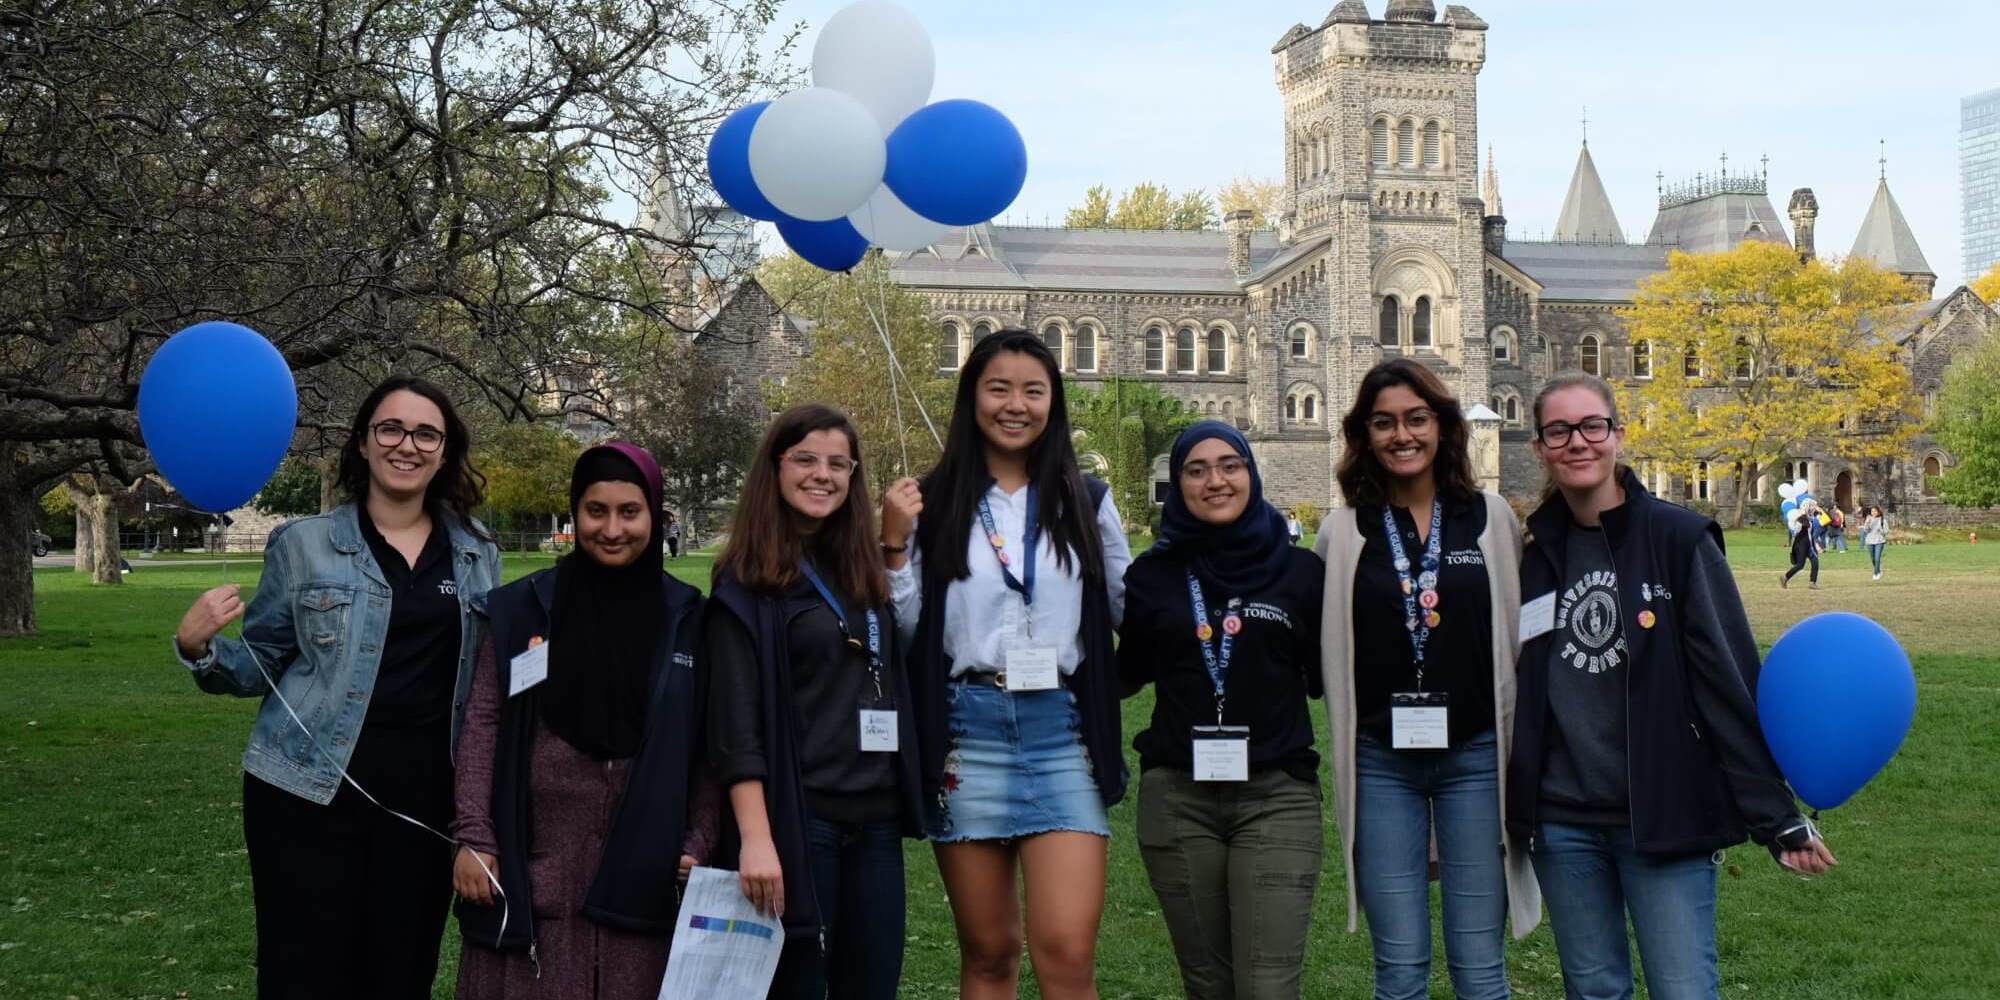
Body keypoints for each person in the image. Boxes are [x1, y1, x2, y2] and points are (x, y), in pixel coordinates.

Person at [172, 375, 501, 998]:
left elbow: (484, 683)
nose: (408, 445)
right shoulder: (304, 544)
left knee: (402, 969)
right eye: (391, 429)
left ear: (445, 449)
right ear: (363, 442)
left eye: (427, 433)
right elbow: (262, 661)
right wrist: (200, 648)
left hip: (425, 800)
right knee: (304, 970)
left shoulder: (477, 552)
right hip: (304, 791)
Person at [1513, 372, 1836, 1000]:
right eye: (1559, 430)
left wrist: (1777, 818)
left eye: (1591, 426)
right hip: (1562, 822)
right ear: (1539, 447)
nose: (1577, 442)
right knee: (1594, 990)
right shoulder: (1531, 550)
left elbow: (1729, 682)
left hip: (1663, 813)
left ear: (1618, 437)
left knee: (1683, 988)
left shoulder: (1678, 539)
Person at [880, 329, 1133, 1000]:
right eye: (998, 388)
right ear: (972, 399)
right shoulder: (930, 503)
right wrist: (895, 547)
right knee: (989, 954)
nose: (1015, 404)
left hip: (1061, 736)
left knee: (1068, 951)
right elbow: (907, 633)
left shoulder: (1089, 500)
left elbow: (1132, 613)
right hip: (968, 738)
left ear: (1053, 401)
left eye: (1033, 390)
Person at [452, 441, 719, 998]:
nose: (612, 529)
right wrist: (475, 837)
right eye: (596, 511)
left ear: (654, 514)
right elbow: (482, 725)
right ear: (575, 513)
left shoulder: (688, 615)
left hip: (647, 857)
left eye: (630, 512)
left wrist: (700, 837)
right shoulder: (523, 608)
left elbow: (708, 741)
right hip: (536, 853)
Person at [1316, 358, 1540, 1000]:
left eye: (1416, 419)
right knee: (1401, 969)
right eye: (1383, 423)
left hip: (1476, 757)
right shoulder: (1342, 532)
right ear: (1365, 435)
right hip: (1381, 763)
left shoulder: (1491, 519)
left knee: (1480, 970)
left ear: (1442, 427)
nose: (1401, 435)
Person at [705, 404, 923, 999]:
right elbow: (736, 723)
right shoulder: (746, 583)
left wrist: (894, 546)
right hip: (802, 820)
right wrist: (756, 838)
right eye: (805, 459)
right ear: (775, 468)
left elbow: (905, 646)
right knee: (796, 986)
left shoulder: (860, 569)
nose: (821, 474)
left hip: (875, 819)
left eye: (838, 463)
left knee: (872, 985)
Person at [1119, 421, 1326, 999]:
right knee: (1207, 985)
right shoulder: (1151, 577)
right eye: (1197, 469)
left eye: (1230, 465)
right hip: (1179, 800)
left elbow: (1328, 676)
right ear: (1179, 482)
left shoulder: (1301, 572)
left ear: (1252, 475)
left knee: (1268, 987)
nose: (1216, 480)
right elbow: (1125, 674)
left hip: (1276, 797)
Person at [1783, 499, 1821, 590]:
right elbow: (1806, 525)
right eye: (1811, 506)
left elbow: (1814, 517)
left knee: (1813, 561)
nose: (1813, 508)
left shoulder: (1805, 516)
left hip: (1803, 543)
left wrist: (1817, 513)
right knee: (1801, 564)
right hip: (1804, 544)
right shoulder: (1802, 517)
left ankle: (1812, 582)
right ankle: (1785, 577)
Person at [1862, 505, 1889, 581]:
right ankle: (1878, 569)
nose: (1873, 513)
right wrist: (1867, 523)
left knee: (1877, 558)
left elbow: (1886, 531)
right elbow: (1866, 530)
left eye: (1875, 511)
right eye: (1872, 511)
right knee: (1873, 558)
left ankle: (1876, 573)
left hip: (1879, 541)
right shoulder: (1869, 519)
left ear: (1878, 512)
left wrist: (1880, 530)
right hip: (1870, 541)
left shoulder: (1882, 520)